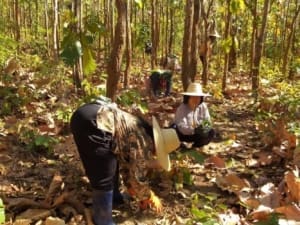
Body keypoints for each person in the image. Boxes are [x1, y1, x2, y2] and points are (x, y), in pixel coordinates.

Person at [70, 96, 180, 225]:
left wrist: (136, 192)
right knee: (103, 173)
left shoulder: (140, 128)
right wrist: (149, 196)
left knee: (112, 160)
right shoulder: (144, 141)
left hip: (86, 115)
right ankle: (103, 219)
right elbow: (136, 175)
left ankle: (115, 197)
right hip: (95, 123)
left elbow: (126, 163)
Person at [173, 83, 215, 148]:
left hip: (197, 135)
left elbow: (207, 121)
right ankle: (181, 145)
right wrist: (194, 130)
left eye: (198, 97)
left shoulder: (203, 106)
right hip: (183, 135)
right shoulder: (182, 108)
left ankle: (196, 146)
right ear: (188, 98)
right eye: (193, 97)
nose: (196, 100)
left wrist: (204, 128)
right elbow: (181, 127)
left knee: (211, 132)